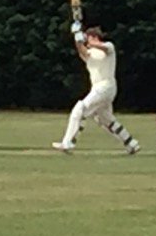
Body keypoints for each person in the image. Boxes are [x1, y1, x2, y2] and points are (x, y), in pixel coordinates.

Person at [53, 23, 140, 154]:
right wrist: (77, 37)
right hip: (101, 89)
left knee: (79, 109)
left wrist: (85, 38)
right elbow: (81, 50)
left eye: (88, 38)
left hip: (105, 85)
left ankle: (68, 142)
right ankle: (131, 144)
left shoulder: (109, 47)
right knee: (105, 119)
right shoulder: (89, 53)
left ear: (94, 37)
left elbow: (101, 47)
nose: (86, 42)